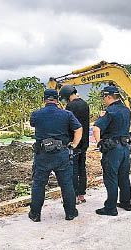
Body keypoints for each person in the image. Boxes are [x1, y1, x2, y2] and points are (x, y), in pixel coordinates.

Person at [29, 89, 83, 222]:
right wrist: (74, 144)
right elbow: (78, 128)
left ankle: (35, 214)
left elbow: (32, 124)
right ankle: (70, 213)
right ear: (58, 100)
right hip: (61, 154)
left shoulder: (36, 114)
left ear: (44, 100)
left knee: (39, 184)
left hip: (43, 155)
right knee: (66, 184)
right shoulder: (67, 114)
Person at [93, 86, 131, 216]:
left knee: (110, 177)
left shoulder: (109, 112)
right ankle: (126, 203)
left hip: (113, 149)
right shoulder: (126, 110)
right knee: (124, 177)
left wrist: (99, 143)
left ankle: (110, 208)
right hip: (125, 148)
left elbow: (96, 128)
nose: (104, 100)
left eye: (104, 97)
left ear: (108, 97)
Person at [59, 85, 90, 204]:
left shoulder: (71, 106)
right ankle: (82, 195)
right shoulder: (85, 104)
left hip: (74, 142)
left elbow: (69, 124)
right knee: (82, 168)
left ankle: (75, 196)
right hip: (85, 142)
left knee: (73, 169)